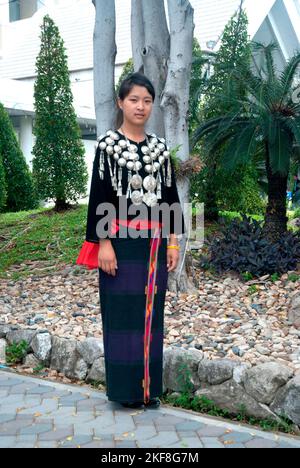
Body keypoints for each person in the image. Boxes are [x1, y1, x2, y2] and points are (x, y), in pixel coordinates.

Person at [76, 72, 186, 409]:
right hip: (119, 243)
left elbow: (169, 197)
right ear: (122, 102)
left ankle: (148, 389)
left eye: (147, 100)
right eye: (134, 99)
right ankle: (125, 391)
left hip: (153, 245)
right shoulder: (108, 146)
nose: (141, 106)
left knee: (150, 315)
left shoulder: (159, 150)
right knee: (122, 313)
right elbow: (99, 196)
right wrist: (104, 243)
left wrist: (172, 242)